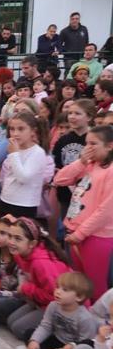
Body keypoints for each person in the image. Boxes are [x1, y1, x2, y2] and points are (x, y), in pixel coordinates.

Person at [54, 125, 113, 302]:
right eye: (86, 143)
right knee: (79, 284)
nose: (88, 148)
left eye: (93, 144)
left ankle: (98, 324)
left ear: (109, 145)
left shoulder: (110, 171)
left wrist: (80, 234)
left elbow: (106, 210)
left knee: (94, 286)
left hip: (95, 235)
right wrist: (81, 161)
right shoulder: (90, 165)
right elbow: (60, 179)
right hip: (75, 231)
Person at [4, 216, 71, 342]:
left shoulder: (41, 263)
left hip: (61, 307)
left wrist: (26, 288)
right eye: (10, 236)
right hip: (40, 301)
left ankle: (58, 336)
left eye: (17, 238)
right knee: (11, 321)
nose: (11, 242)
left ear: (32, 244)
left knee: (18, 329)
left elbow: (55, 297)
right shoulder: (20, 253)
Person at [20, 272, 99, 349]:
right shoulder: (53, 305)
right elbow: (46, 326)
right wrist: (34, 341)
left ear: (79, 297)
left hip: (71, 348)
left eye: (64, 290)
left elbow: (84, 345)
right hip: (56, 339)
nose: (58, 291)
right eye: (57, 287)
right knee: (29, 333)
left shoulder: (85, 318)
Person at [0, 111, 50, 219]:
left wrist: (13, 154)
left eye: (21, 129)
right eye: (12, 129)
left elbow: (23, 178)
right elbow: (8, 176)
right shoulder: (14, 150)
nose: (15, 133)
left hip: (24, 204)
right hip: (6, 200)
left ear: (33, 131)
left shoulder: (37, 152)